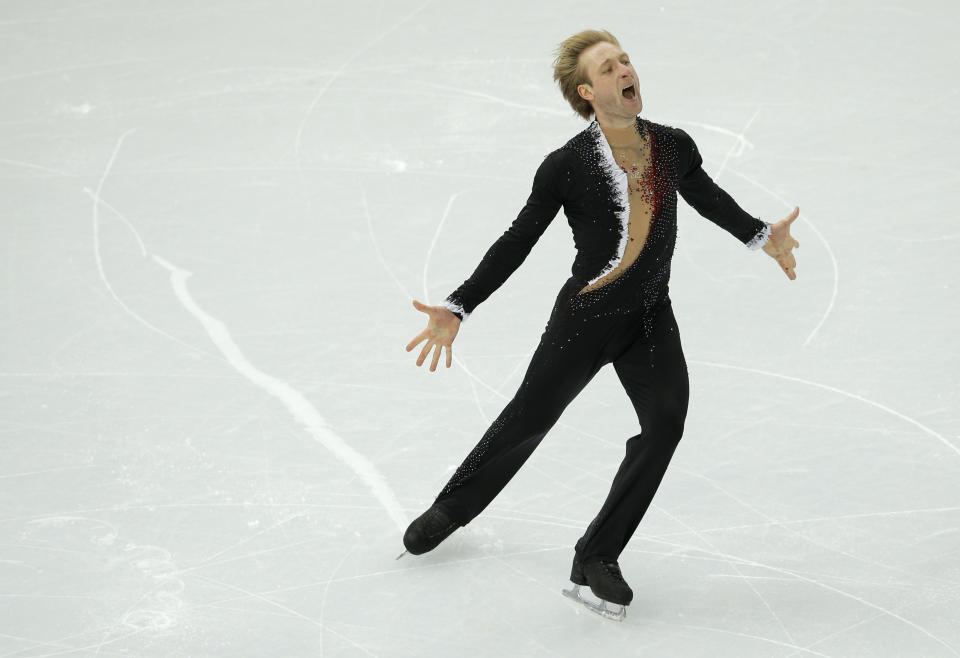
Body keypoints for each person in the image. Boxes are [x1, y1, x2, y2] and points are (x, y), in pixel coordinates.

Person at [399, 29, 800, 620]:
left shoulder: (672, 146)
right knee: (527, 419)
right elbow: (518, 240)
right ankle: (450, 511)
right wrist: (459, 306)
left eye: (626, 60)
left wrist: (763, 237)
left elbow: (710, 199)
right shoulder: (565, 166)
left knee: (665, 425)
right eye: (609, 68)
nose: (625, 70)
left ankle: (597, 553)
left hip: (649, 317)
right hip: (584, 319)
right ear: (588, 91)